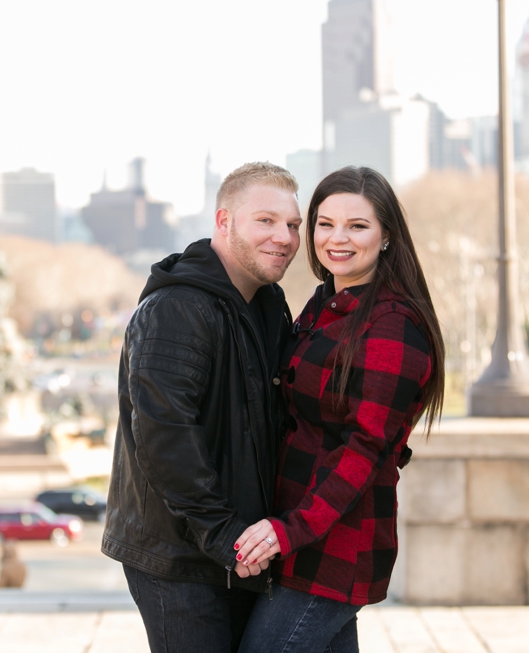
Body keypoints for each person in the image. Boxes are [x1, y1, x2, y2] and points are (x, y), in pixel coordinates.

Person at [234, 166, 445, 653]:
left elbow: (364, 448)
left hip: (334, 545)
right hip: (299, 529)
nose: (337, 239)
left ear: (387, 235)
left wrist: (289, 531)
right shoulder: (327, 301)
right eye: (325, 224)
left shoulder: (392, 325)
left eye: (357, 225)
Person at [101, 162, 303, 653]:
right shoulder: (176, 309)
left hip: (239, 550)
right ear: (223, 221)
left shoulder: (268, 305)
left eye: (293, 225)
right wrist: (224, 536)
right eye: (266, 221)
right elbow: (164, 434)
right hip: (179, 558)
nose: (284, 237)